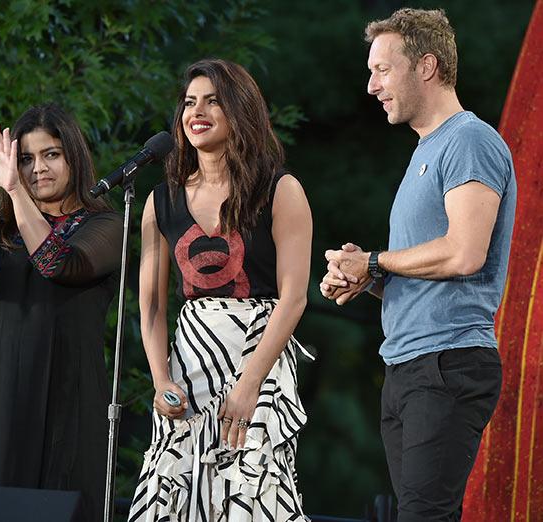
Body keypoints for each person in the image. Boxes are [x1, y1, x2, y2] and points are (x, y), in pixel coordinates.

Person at [320, 8, 516, 522]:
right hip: (408, 367)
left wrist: (376, 260)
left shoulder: (469, 141)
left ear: (426, 66)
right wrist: (365, 280)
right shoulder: (425, 153)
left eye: (382, 69)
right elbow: (431, 277)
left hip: (447, 363)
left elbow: (464, 252)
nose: (371, 86)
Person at [128, 58, 313, 521]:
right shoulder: (160, 200)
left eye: (212, 100)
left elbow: (294, 297)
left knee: (252, 490)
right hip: (191, 361)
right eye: (190, 102)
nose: (197, 111)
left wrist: (251, 384)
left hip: (260, 354)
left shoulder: (280, 189)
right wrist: (160, 380)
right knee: (176, 491)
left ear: (240, 110)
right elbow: (149, 304)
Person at [0, 103, 123, 522]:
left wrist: (14, 192)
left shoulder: (107, 224)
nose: (37, 168)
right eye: (25, 159)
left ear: (73, 157)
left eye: (51, 155)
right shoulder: (6, 227)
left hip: (65, 390)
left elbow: (56, 263)